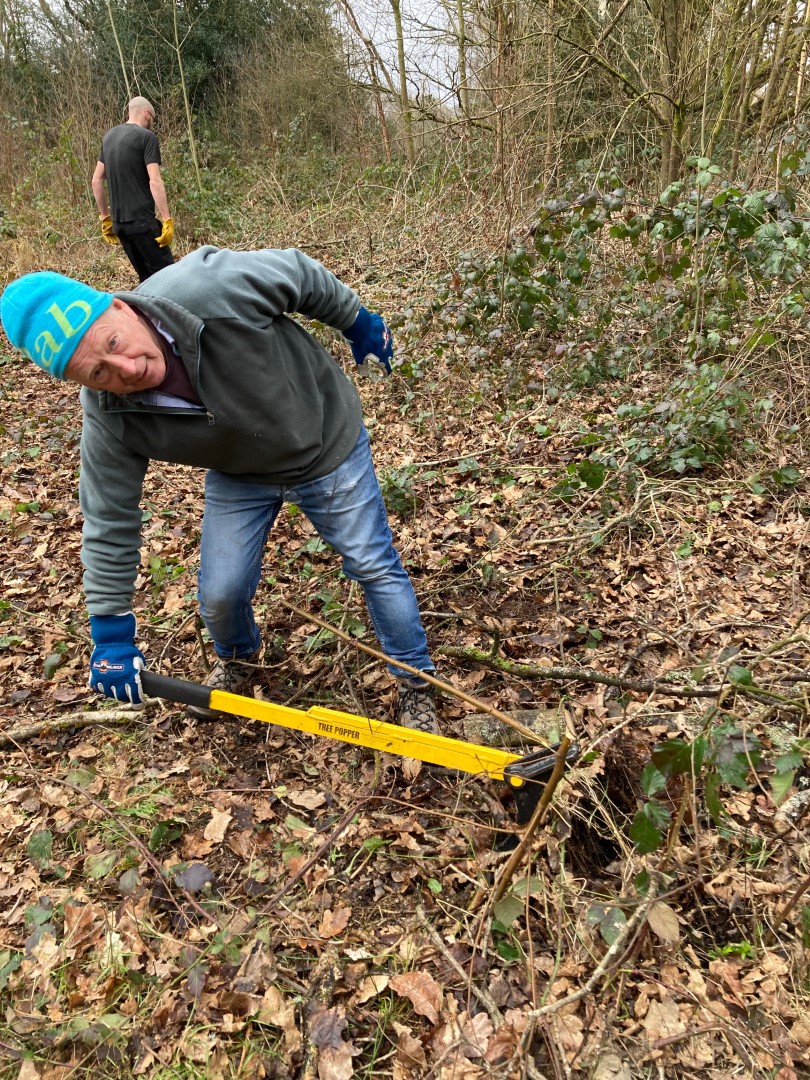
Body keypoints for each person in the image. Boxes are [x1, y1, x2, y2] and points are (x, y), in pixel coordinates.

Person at [0, 247, 440, 734]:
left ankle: (415, 681)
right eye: (98, 371)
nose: (124, 368)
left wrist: (356, 322)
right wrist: (110, 635)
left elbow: (298, 273)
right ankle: (239, 659)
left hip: (324, 441)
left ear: (120, 306)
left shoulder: (208, 290)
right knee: (221, 593)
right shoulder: (108, 416)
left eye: (113, 342)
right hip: (241, 471)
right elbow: (108, 519)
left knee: (372, 564)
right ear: (79, 383)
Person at [91, 96, 175, 282]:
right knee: (169, 279)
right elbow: (155, 181)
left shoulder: (109, 137)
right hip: (142, 223)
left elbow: (96, 181)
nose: (152, 123)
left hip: (120, 226)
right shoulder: (147, 138)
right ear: (146, 113)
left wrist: (105, 218)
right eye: (153, 118)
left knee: (146, 279)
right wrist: (167, 219)